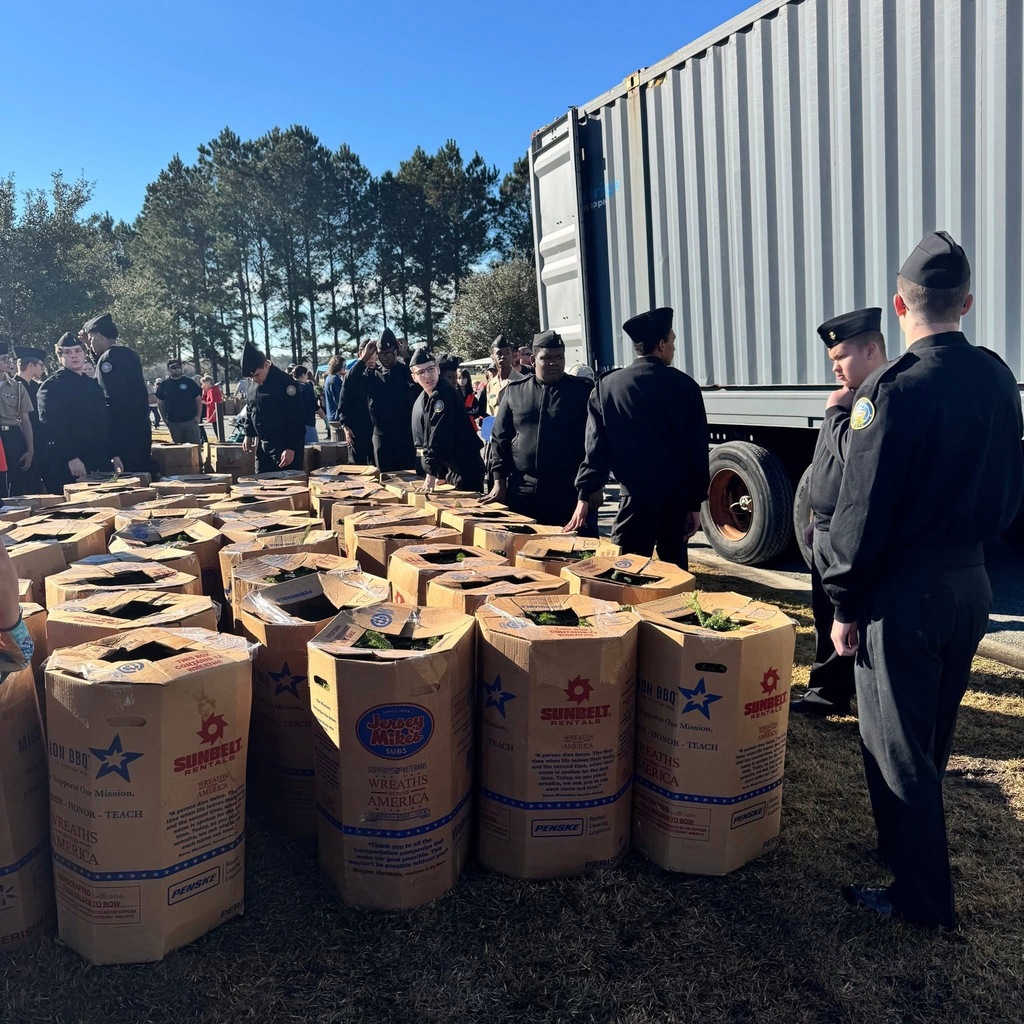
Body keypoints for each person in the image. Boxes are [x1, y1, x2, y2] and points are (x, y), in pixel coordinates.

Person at [824, 231, 1024, 931]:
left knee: (896, 746)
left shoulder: (891, 388)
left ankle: (920, 901)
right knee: (930, 733)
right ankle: (906, 849)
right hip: (973, 580)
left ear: (900, 304)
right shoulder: (1000, 376)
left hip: (907, 590)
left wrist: (844, 602)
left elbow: (861, 508)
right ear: (966, 302)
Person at [792, 309, 888, 718]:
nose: (835, 367)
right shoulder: (853, 394)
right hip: (828, 531)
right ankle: (827, 691)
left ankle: (860, 698)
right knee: (825, 615)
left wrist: (834, 413)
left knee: (856, 618)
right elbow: (828, 465)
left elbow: (857, 458)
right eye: (832, 359)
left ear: (870, 350)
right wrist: (817, 517)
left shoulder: (879, 396)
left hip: (853, 534)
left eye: (841, 357)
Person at [567, 307, 710, 570]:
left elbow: (595, 449)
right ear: (661, 344)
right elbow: (697, 452)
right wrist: (694, 504)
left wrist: (585, 496)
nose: (674, 348)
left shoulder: (607, 387)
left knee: (624, 577)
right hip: (674, 504)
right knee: (674, 581)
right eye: (673, 341)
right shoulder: (685, 386)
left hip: (633, 502)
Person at [485, 330, 598, 530]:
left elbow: (596, 442)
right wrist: (498, 480)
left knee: (573, 555)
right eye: (546, 357)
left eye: (559, 357)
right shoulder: (515, 391)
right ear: (533, 359)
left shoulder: (582, 391)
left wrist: (593, 486)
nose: (554, 362)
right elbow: (500, 438)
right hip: (524, 488)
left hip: (569, 489)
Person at [36, 332, 122, 490]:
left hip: (98, 458)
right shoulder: (51, 387)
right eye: (68, 352)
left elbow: (105, 421)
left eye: (77, 351)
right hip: (69, 462)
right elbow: (52, 427)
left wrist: (114, 453)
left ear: (84, 353)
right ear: (59, 357)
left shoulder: (93, 385)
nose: (74, 356)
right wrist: (71, 457)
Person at [81, 312, 152, 475]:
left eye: (91, 339)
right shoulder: (129, 354)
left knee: (127, 483)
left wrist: (111, 445)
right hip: (140, 430)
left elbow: (111, 402)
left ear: (98, 336)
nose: (90, 344)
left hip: (122, 434)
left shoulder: (108, 360)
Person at [410, 348, 484, 493]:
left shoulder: (443, 394)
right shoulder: (424, 397)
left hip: (465, 466)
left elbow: (440, 435)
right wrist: (439, 472)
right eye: (420, 372)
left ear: (437, 369)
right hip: (450, 467)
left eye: (430, 369)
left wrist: (431, 474)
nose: (427, 376)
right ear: (414, 377)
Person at [344, 330, 417, 471]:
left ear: (396, 352)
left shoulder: (404, 372)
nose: (385, 357)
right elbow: (349, 383)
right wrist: (364, 358)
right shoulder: (372, 375)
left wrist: (406, 355)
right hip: (381, 436)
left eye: (389, 353)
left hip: (404, 436)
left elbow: (418, 380)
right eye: (381, 354)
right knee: (384, 480)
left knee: (408, 477)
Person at [240, 341, 307, 473]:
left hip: (284, 445)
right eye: (251, 377)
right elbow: (250, 408)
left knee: (285, 489)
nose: (254, 380)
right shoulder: (253, 383)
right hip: (263, 446)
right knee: (262, 486)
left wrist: (291, 447)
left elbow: (297, 417)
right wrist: (248, 434)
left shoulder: (285, 383)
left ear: (266, 365)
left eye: (257, 375)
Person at [0, 346, 36, 497]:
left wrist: (30, 449)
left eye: (8, 358)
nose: (8, 362)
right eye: (3, 359)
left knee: (16, 480)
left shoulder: (17, 387)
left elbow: (25, 420)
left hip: (12, 435)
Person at [14, 345, 46, 493]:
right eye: (41, 365)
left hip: (40, 440)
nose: (42, 368)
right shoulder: (14, 387)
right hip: (22, 442)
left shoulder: (37, 387)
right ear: (31, 365)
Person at [156, 361, 203, 444]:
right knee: (178, 451)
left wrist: (198, 417)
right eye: (173, 367)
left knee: (195, 448)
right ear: (168, 369)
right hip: (173, 422)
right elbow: (160, 402)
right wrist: (164, 419)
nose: (176, 369)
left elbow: (198, 400)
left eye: (178, 367)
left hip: (191, 421)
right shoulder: (164, 385)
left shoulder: (190, 382)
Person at [339, 354, 374, 465]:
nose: (371, 357)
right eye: (369, 353)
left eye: (374, 354)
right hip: (358, 429)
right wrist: (345, 426)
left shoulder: (378, 373)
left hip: (376, 430)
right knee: (359, 465)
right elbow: (343, 404)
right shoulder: (352, 377)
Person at [485, 335, 524, 417]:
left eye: (507, 353)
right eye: (499, 354)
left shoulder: (523, 382)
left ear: (512, 356)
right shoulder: (491, 385)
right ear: (492, 358)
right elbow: (491, 414)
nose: (503, 357)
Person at [291, 365, 320, 445]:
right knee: (313, 449)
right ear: (303, 375)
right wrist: (325, 418)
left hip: (294, 424)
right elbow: (314, 405)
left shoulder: (290, 387)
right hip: (308, 422)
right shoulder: (306, 387)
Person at [323, 355, 344, 428]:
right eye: (344, 365)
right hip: (337, 416)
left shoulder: (329, 378)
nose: (345, 368)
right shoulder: (336, 379)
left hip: (331, 414)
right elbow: (340, 399)